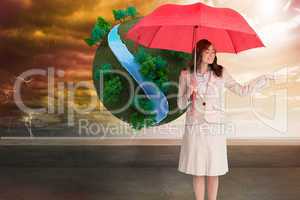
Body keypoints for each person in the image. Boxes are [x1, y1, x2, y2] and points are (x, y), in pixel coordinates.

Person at [177, 39, 275, 200]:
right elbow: (180, 105)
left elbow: (242, 91)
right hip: (195, 128)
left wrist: (261, 79)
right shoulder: (186, 74)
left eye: (213, 52)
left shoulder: (220, 72)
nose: (211, 55)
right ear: (199, 52)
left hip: (215, 129)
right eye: (207, 51)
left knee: (213, 171)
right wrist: (189, 92)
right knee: (198, 170)